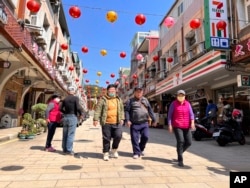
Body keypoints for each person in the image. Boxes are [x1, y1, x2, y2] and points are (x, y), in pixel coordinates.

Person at [93, 84, 125, 161]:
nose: (112, 92)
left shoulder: (118, 99)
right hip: (106, 122)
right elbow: (98, 110)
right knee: (106, 138)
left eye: (113, 90)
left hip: (117, 122)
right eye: (110, 90)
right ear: (107, 91)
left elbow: (121, 110)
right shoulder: (103, 99)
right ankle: (106, 153)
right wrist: (95, 119)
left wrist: (122, 118)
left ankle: (114, 150)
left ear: (115, 91)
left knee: (118, 136)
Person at [125, 87, 156, 159]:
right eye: (137, 92)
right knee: (135, 139)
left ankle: (141, 149)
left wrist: (154, 120)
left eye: (140, 92)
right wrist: (127, 120)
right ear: (134, 93)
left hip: (144, 123)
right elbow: (127, 111)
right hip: (134, 123)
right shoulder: (130, 101)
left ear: (142, 93)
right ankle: (136, 152)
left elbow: (150, 110)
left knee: (146, 137)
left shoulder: (145, 100)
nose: (139, 93)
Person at [168, 90, 195, 167]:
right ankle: (180, 160)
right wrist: (170, 125)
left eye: (182, 95)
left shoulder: (188, 104)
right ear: (177, 96)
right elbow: (170, 115)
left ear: (184, 96)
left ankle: (179, 152)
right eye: (179, 95)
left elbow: (191, 115)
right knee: (181, 141)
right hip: (177, 126)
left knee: (189, 142)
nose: (181, 97)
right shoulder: (173, 104)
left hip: (187, 126)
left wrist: (192, 123)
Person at [60, 86, 84, 155]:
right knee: (71, 134)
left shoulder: (65, 99)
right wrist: (81, 114)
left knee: (65, 134)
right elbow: (78, 107)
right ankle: (69, 150)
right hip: (72, 116)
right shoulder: (75, 98)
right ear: (74, 92)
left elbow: (60, 108)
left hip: (65, 117)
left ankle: (64, 149)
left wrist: (65, 113)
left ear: (68, 91)